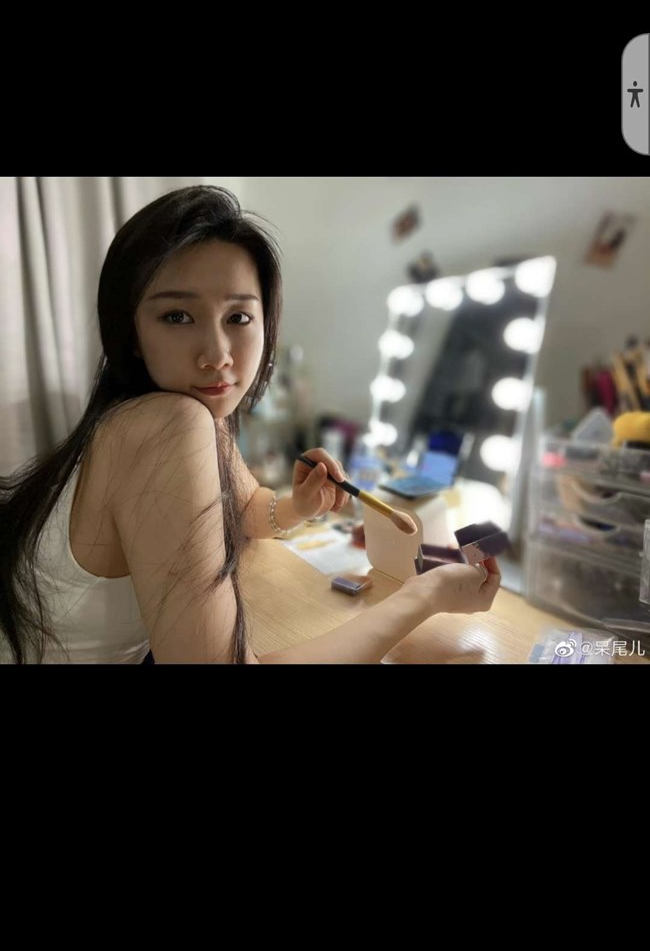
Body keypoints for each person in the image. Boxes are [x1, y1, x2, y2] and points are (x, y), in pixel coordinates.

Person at [0, 186, 501, 665]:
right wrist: (421, 596)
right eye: (177, 316)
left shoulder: (181, 409)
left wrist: (299, 506)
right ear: (131, 332)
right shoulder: (167, 423)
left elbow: (245, 509)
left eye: (238, 318)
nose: (217, 355)